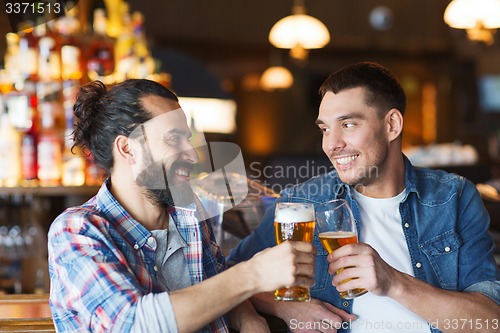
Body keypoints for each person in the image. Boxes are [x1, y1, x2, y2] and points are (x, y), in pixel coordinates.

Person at [227, 62, 500, 333]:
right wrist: (285, 308)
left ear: (392, 125)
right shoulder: (303, 202)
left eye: (347, 124)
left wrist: (393, 283)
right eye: (325, 129)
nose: (331, 144)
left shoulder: (454, 197)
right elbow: (227, 277)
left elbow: (490, 323)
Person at [47, 79, 316, 333]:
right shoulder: (78, 231)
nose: (192, 153)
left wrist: (249, 320)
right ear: (127, 149)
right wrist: (252, 274)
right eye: (173, 139)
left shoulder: (188, 211)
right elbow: (132, 325)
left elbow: (216, 290)